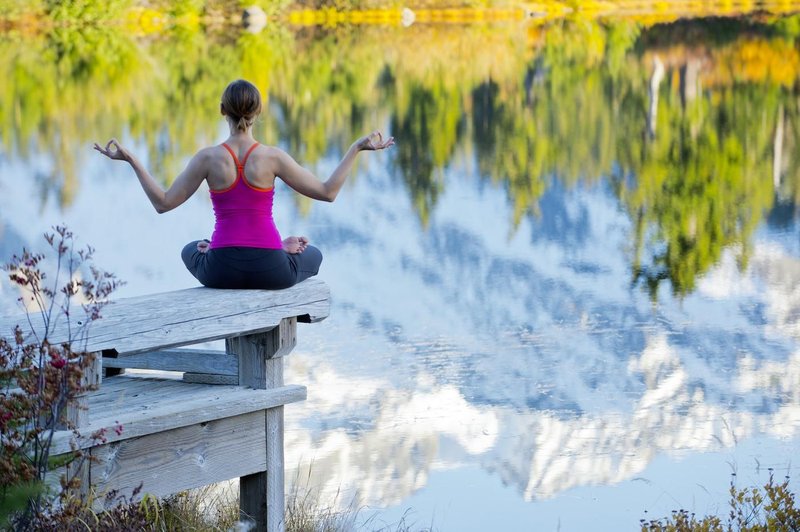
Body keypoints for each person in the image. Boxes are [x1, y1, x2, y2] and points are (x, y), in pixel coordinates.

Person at [94, 79, 394, 290]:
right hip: (270, 269)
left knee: (190, 248)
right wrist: (356, 148)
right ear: (257, 113)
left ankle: (224, 246)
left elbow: (163, 203)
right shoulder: (272, 157)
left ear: (223, 109)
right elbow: (328, 192)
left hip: (221, 269)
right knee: (313, 254)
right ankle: (279, 248)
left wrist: (132, 159)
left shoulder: (208, 158)